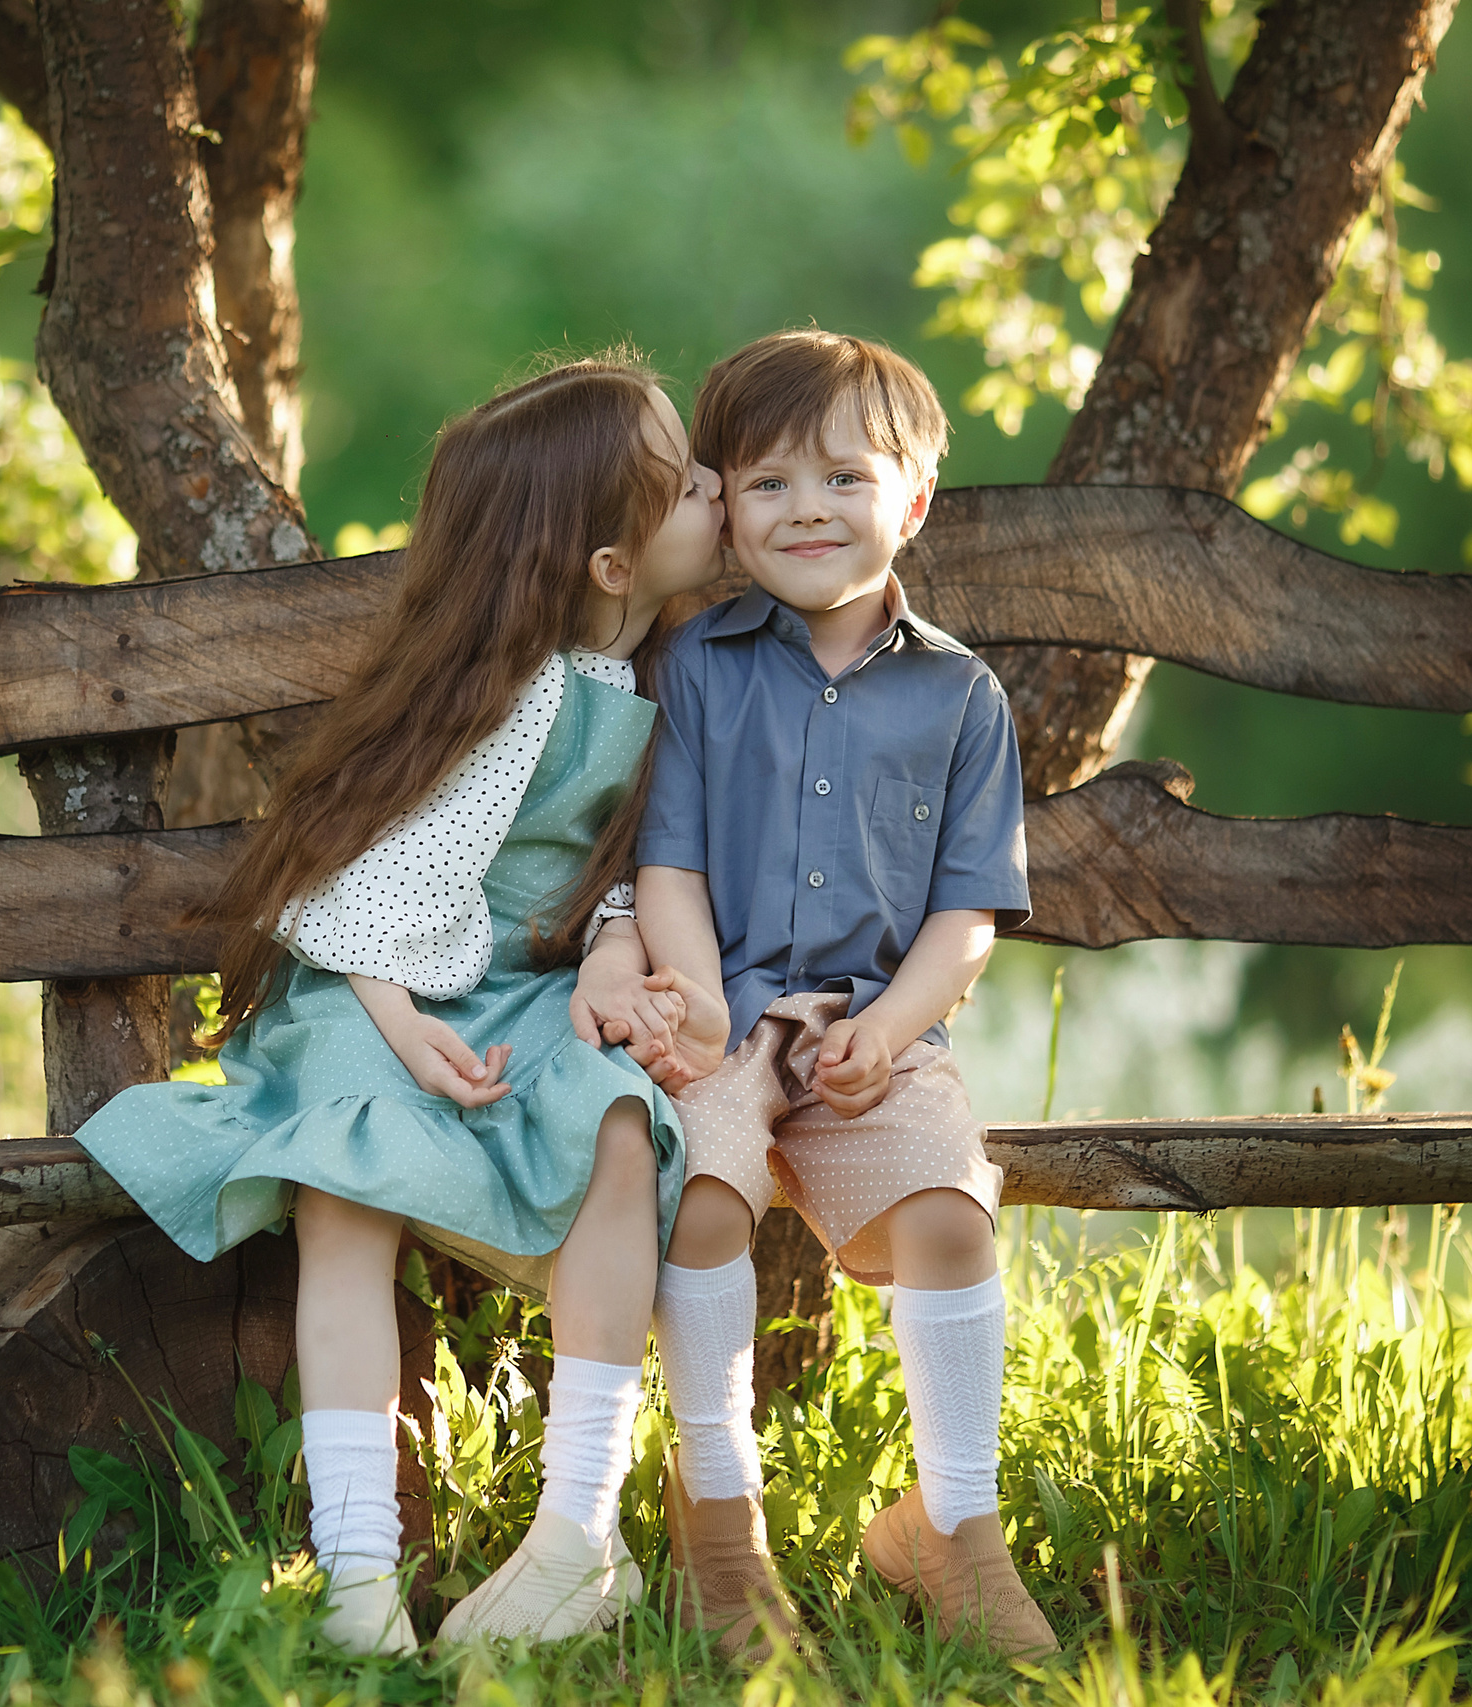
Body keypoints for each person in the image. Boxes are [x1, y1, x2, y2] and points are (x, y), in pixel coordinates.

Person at [76, 355, 726, 1654]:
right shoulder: (519, 691)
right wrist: (396, 1019)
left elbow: (628, 868)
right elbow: (373, 869)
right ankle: (361, 1577)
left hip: (523, 995)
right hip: (375, 990)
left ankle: (574, 1532)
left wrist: (609, 960)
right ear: (610, 566)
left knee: (617, 1125)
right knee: (346, 1189)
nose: (716, 480)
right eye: (687, 472)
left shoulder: (660, 682)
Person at [629, 328, 1056, 1660]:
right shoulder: (700, 667)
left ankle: (955, 1529)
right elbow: (670, 866)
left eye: (844, 478)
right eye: (767, 484)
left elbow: (968, 913)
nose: (807, 507)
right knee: (697, 1193)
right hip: (720, 1017)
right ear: (726, 511)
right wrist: (696, 1007)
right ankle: (719, 1533)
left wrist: (892, 1029)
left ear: (912, 501)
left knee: (948, 1217)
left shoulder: (961, 694)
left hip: (877, 1027)